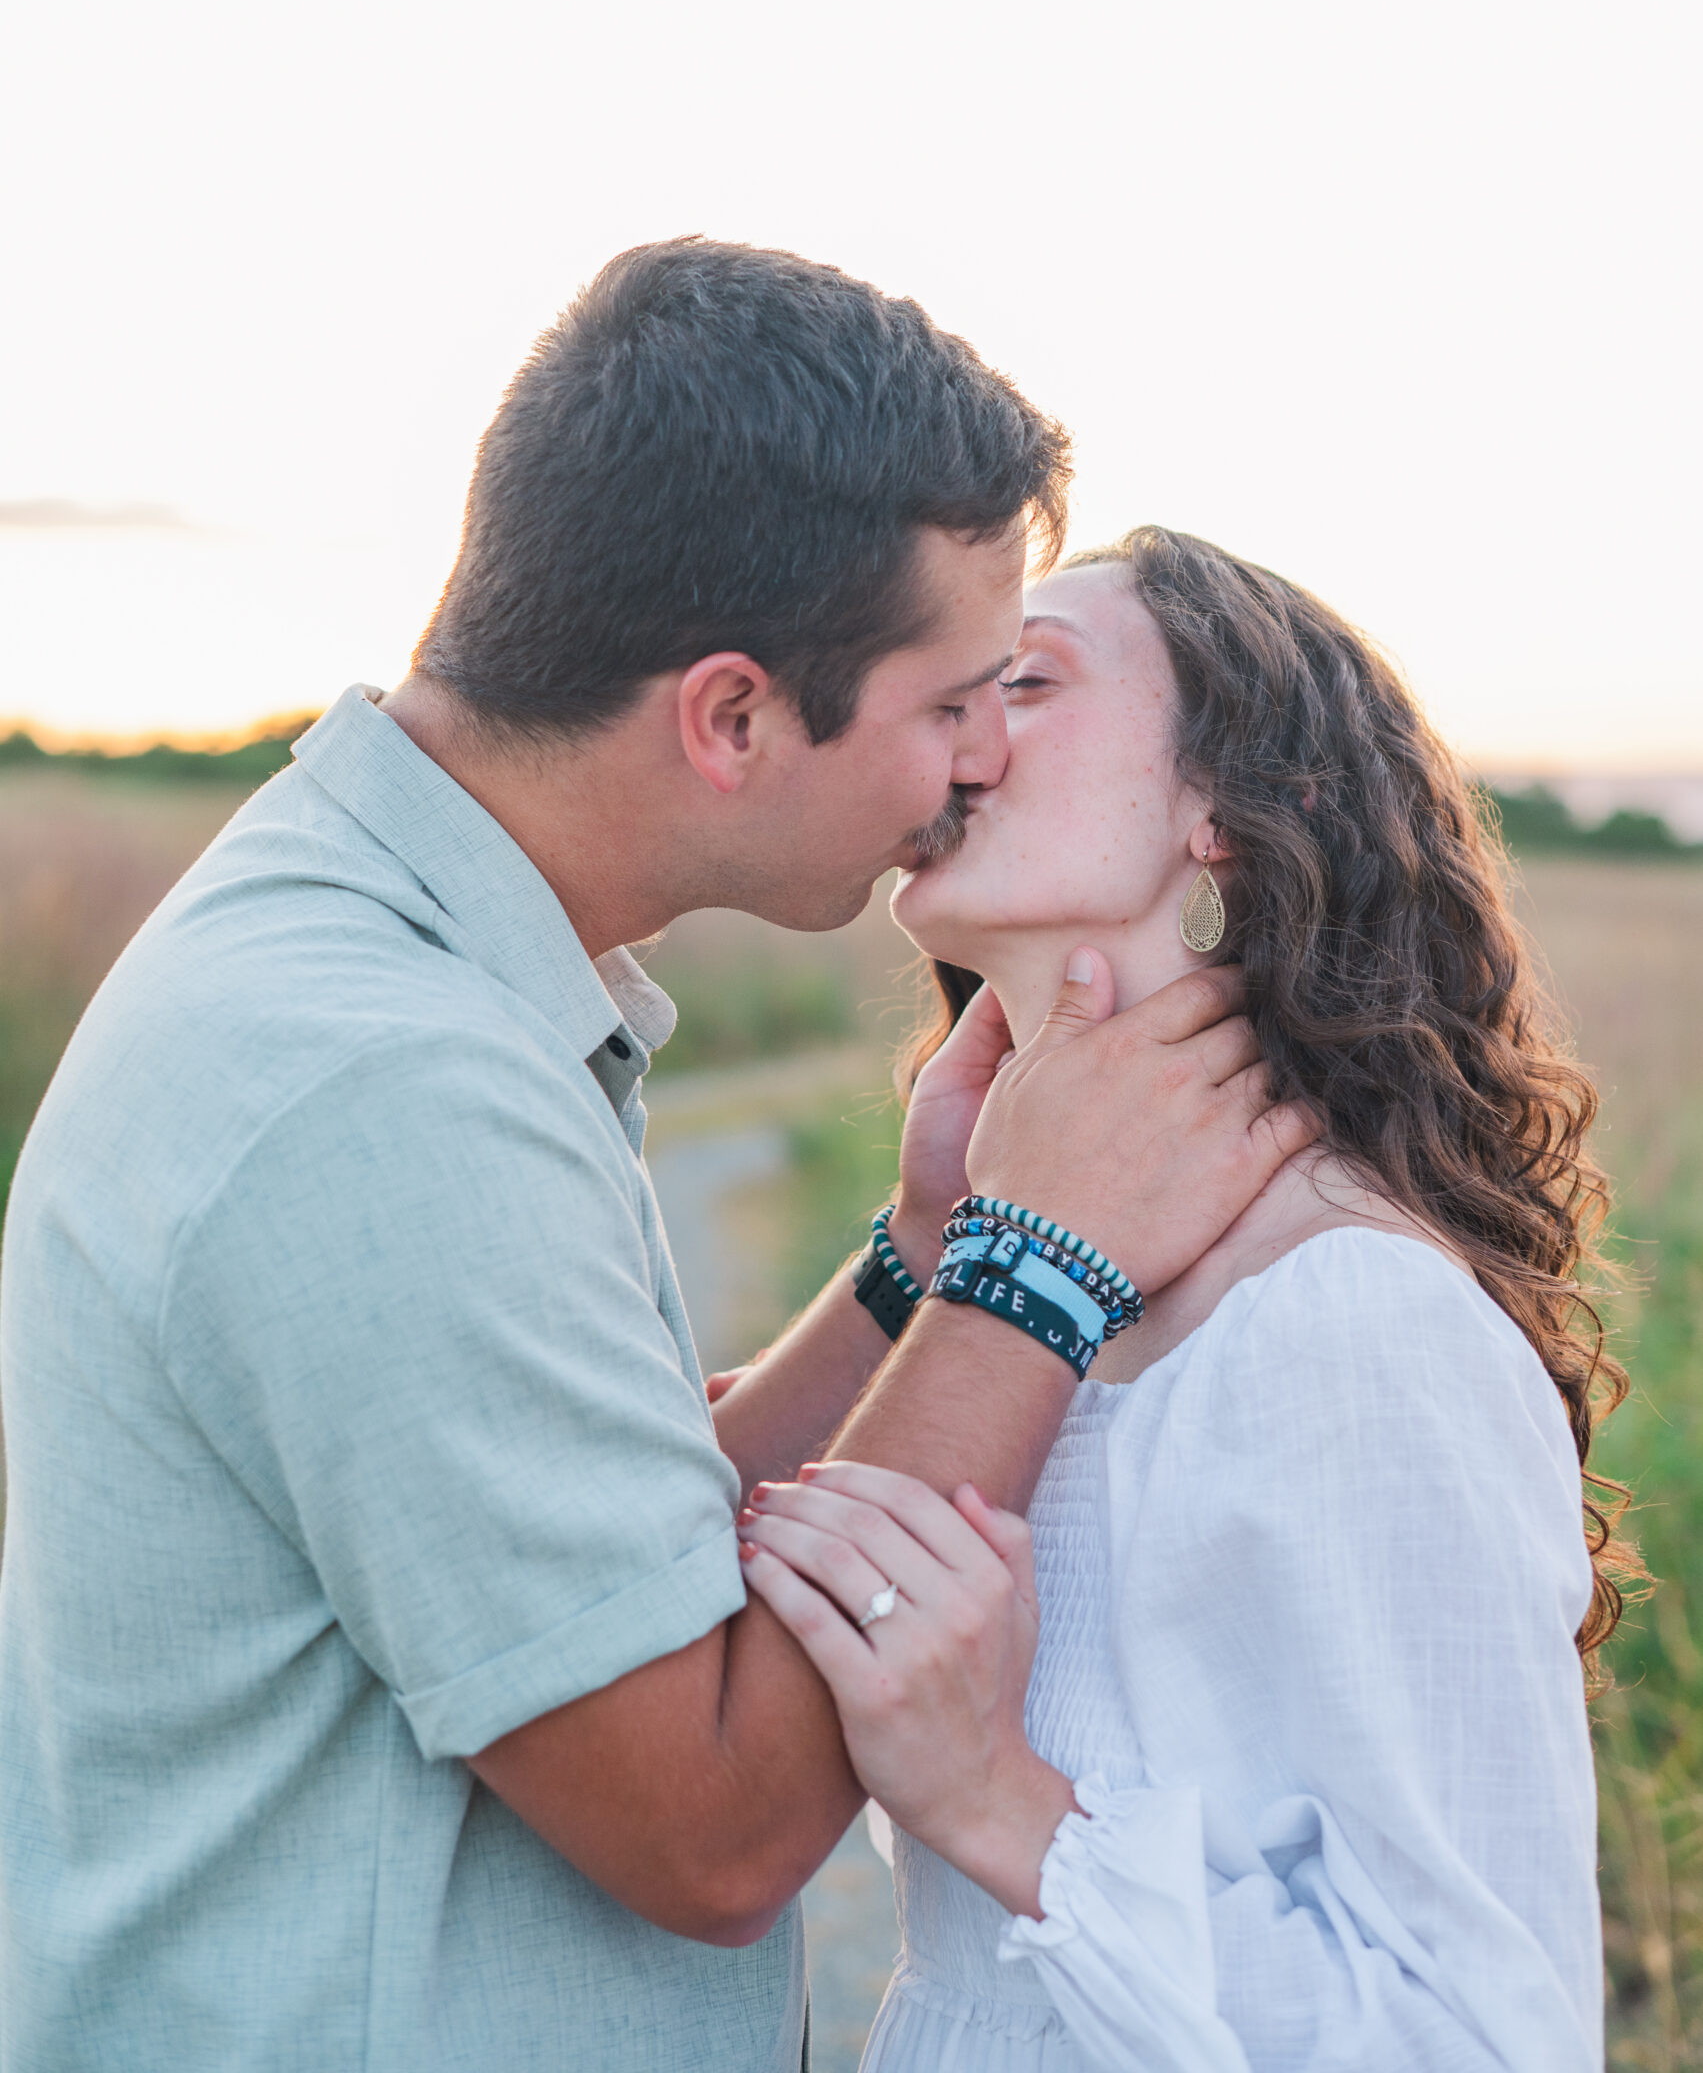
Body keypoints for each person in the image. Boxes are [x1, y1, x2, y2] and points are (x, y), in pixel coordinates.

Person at [0, 249, 1313, 2073]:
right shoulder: (384, 1087)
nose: (980, 757)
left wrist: (919, 1260)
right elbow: (711, 1829)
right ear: (731, 716)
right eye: (949, 703)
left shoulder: (391, 961)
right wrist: (1040, 1262)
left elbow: (576, 1566)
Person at [741, 524, 1634, 2072]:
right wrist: (939, 1238)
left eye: (1022, 677)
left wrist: (996, 1798)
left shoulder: (1353, 1320)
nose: (955, 724)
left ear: (1228, 808)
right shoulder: (1025, 1294)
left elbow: (1481, 2033)